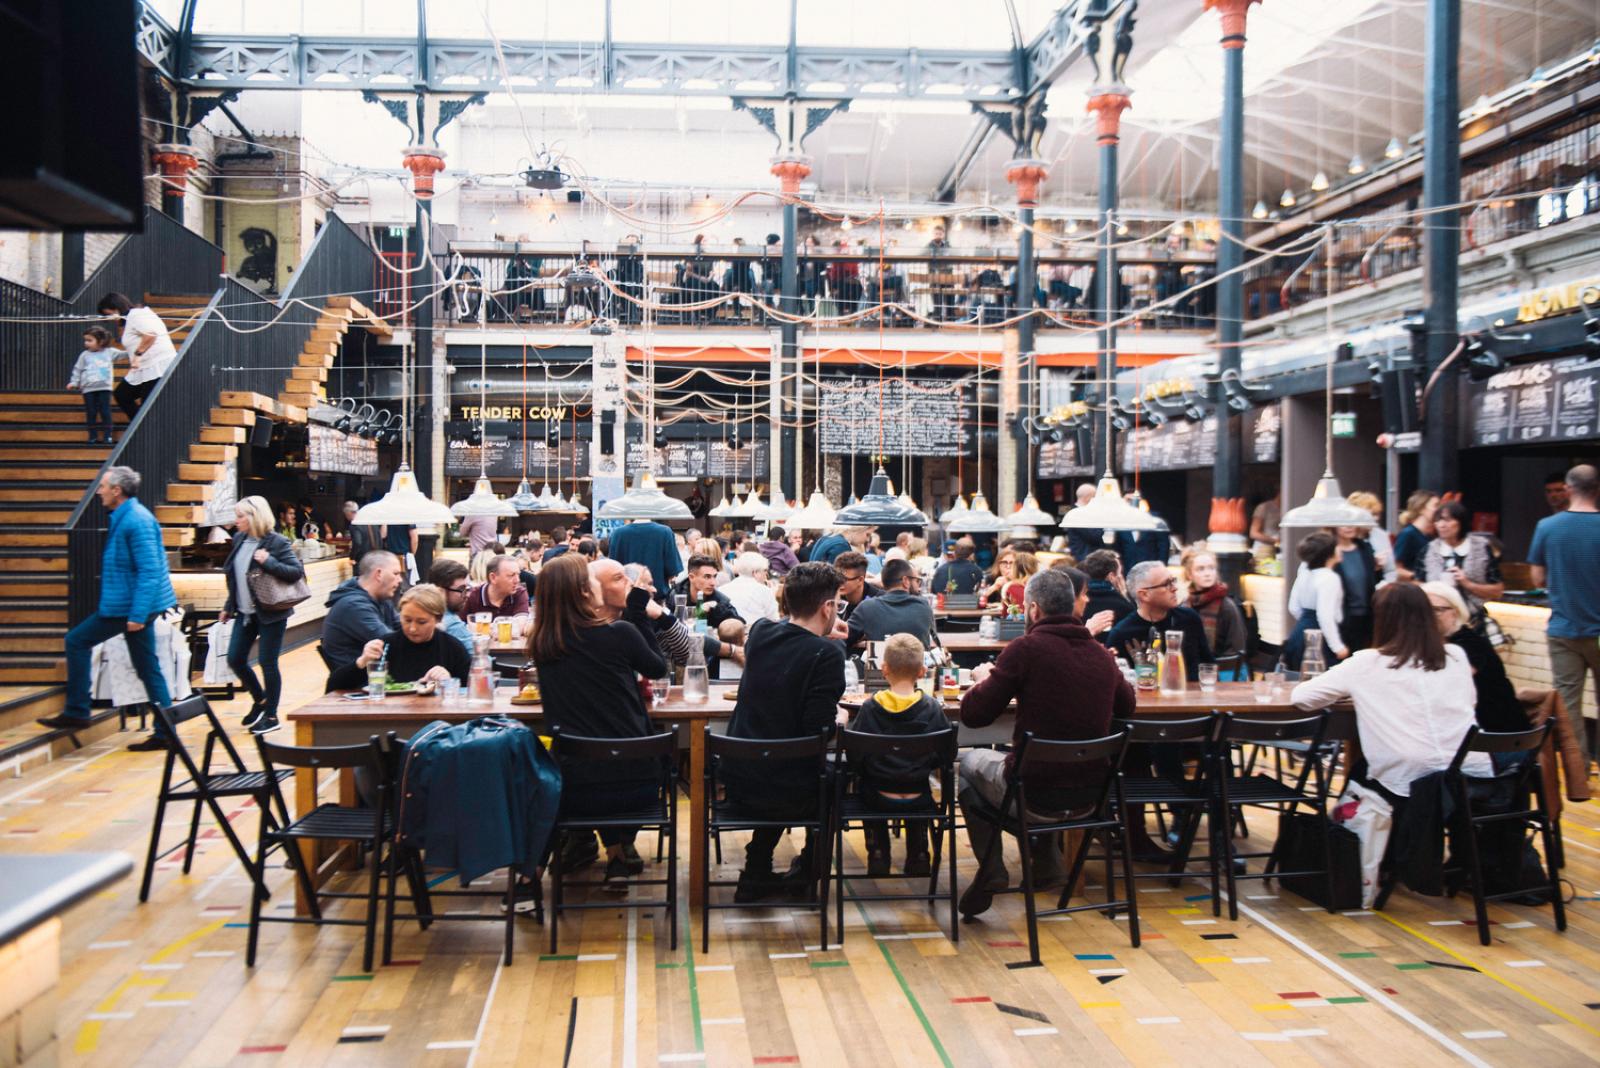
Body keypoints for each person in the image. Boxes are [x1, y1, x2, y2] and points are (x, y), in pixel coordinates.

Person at [957, 568, 1135, 917]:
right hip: (1091, 797)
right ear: (1073, 607)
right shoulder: (1100, 654)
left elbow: (975, 715)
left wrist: (985, 678)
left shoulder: (1025, 649)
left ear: (1034, 610)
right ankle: (1045, 862)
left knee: (965, 766)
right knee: (1029, 767)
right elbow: (1127, 706)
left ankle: (993, 868)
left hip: (1033, 795)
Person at [531, 554, 669, 885]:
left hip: (574, 791)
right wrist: (638, 612)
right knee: (612, 754)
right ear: (583, 592)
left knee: (577, 761)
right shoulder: (620, 633)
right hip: (639, 787)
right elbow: (658, 668)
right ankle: (618, 855)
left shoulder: (543, 643)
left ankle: (532, 875)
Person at [723, 562, 848, 901]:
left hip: (737, 777)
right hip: (788, 788)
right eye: (837, 602)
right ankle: (809, 870)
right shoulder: (828, 654)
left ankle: (756, 869)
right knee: (833, 776)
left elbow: (787, 638)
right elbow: (818, 731)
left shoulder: (761, 632)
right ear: (827, 608)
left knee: (783, 758)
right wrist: (840, 721)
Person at [1292, 583, 1490, 799]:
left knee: (1361, 774)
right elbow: (1469, 703)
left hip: (1408, 781)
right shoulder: (1455, 655)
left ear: (1381, 619)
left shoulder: (1367, 663)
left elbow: (1302, 697)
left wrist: (1354, 692)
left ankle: (1363, 832)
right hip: (1473, 770)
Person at [37, 467, 176, 751]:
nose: (98, 491)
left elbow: (149, 571)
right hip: (128, 605)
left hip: (126, 608)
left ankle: (77, 711)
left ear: (117, 491)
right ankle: (165, 731)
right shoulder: (127, 517)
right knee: (147, 667)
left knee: (75, 640)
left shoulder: (135, 521)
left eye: (102, 486)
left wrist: (137, 614)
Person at [846, 632, 947, 877]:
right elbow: (945, 754)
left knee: (866, 780)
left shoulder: (870, 708)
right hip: (918, 795)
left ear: (884, 669)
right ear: (922, 671)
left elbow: (855, 756)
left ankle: (878, 852)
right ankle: (919, 853)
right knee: (915, 780)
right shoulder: (932, 708)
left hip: (877, 796)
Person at [1528, 464, 1600, 767]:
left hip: (1562, 629)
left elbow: (1537, 579)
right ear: (1597, 489)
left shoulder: (1547, 527)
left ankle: (1578, 769)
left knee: (1568, 703)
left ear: (1568, 489)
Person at [217, 495, 305, 737]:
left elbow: (295, 572)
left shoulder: (276, 542)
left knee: (268, 663)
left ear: (255, 517)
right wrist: (229, 604)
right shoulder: (239, 539)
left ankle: (271, 715)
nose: (236, 521)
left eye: (240, 516)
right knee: (235, 659)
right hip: (244, 612)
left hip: (271, 613)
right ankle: (261, 699)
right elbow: (235, 576)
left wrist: (269, 562)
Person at [1422, 582, 1527, 735]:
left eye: (1436, 610)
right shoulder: (1434, 644)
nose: (1428, 617)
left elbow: (1446, 686)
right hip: (1474, 736)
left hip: (1498, 738)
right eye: (1423, 611)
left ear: (1455, 612)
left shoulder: (1469, 644)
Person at [328, 584, 471, 691]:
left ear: (438, 619)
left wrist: (449, 682)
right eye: (407, 620)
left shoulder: (452, 648)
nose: (413, 628)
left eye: (421, 622)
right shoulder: (386, 646)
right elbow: (333, 686)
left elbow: (475, 690)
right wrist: (362, 662)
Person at [1103, 560, 1213, 678]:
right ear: (1144, 595)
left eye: (1173, 581)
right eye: (1166, 584)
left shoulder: (1189, 618)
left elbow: (1208, 664)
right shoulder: (1121, 634)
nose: (1175, 588)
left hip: (1192, 694)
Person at [1417, 500, 1503, 624]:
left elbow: (1497, 591)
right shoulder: (1428, 550)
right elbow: (1418, 585)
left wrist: (1468, 584)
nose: (1441, 525)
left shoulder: (1481, 547)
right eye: (1438, 520)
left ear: (1461, 522)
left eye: (1447, 520)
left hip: (1473, 620)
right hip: (1436, 622)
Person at [321, 551, 404, 680]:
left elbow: (403, 628)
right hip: (357, 685)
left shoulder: (381, 599)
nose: (400, 580)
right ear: (379, 574)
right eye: (396, 573)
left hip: (378, 677)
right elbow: (391, 643)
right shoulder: (353, 606)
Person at [97, 292, 176, 419]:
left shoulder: (137, 315)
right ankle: (139, 427)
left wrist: (137, 356)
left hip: (156, 366)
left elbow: (150, 335)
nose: (110, 318)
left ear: (116, 307)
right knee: (122, 394)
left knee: (146, 406)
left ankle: (144, 429)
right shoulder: (132, 318)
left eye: (108, 314)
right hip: (144, 368)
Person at [1282, 531, 1349, 669]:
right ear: (1328, 554)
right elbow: (1325, 616)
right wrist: (1337, 647)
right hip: (1319, 638)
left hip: (1299, 633)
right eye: (1336, 546)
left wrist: (1307, 621)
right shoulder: (1329, 578)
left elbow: (1293, 607)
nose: (1340, 549)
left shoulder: (1305, 572)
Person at [1179, 546, 1247, 665]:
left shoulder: (1226, 606)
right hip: (1189, 668)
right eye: (1200, 569)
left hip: (1219, 671)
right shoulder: (1185, 604)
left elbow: (1237, 647)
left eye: (1211, 568)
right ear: (1190, 574)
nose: (1207, 574)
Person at [846, 558, 933, 647]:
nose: (918, 586)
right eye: (916, 580)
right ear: (905, 581)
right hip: (916, 660)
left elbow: (844, 638)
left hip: (882, 660)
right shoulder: (924, 605)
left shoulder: (867, 607)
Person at [1333, 525, 1381, 653]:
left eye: (1352, 523)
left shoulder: (1365, 547)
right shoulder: (1330, 550)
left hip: (1368, 613)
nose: (1349, 527)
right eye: (1344, 524)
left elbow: (1373, 578)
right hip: (1343, 614)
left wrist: (1379, 567)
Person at [609, 516, 683, 598]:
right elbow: (672, 572)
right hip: (657, 598)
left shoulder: (617, 534)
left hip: (626, 598)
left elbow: (613, 572)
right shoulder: (665, 532)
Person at [67, 325, 117, 443]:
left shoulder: (110, 352)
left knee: (105, 411)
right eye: (85, 340)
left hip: (104, 387)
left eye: (90, 340)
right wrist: (74, 382)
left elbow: (127, 354)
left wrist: (137, 351)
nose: (86, 343)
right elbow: (78, 369)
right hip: (88, 388)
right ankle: (92, 435)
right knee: (91, 411)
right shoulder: (85, 355)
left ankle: (108, 435)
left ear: (101, 341)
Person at [676, 553, 742, 630]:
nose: (713, 583)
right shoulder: (676, 596)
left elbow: (739, 625)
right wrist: (698, 614)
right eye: (707, 577)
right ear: (691, 577)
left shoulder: (720, 600)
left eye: (714, 576)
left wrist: (716, 609)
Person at [426, 558, 476, 655]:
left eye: (467, 588)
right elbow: (478, 661)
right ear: (440, 591)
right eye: (461, 589)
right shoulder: (452, 624)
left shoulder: (419, 611)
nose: (467, 595)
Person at [1347, 491, 1397, 581]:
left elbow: (1391, 570)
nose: (1376, 518)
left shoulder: (1382, 535)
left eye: (1377, 514)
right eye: (1372, 514)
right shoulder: (1346, 537)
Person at [464, 554, 531, 621]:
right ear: (493, 578)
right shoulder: (473, 596)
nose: (517, 580)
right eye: (511, 575)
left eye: (518, 574)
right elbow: (458, 626)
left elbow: (521, 623)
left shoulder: (519, 592)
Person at [1392, 489, 1439, 582]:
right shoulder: (1408, 534)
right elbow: (1396, 569)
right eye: (1436, 505)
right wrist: (1417, 577)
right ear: (1421, 509)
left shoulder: (1430, 536)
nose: (1439, 509)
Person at [722, 552, 780, 624]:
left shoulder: (723, 589)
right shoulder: (764, 591)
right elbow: (774, 620)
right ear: (755, 573)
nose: (766, 574)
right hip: (756, 632)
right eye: (764, 570)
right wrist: (772, 594)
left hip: (728, 631)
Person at [1081, 549, 1135, 625]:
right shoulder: (1123, 606)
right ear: (1111, 576)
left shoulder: (1078, 601)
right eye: (1120, 573)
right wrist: (1125, 596)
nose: (1121, 577)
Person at [834, 551, 883, 620]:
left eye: (844, 579)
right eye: (837, 577)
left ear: (860, 580)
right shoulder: (831, 598)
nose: (839, 582)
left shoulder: (879, 601)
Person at [1064, 483, 1104, 561]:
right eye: (1095, 497)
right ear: (1088, 497)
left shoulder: (1080, 513)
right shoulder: (1077, 514)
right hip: (1083, 558)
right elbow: (1094, 536)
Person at [1249, 490, 1281, 557]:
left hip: (1281, 550)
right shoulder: (1264, 507)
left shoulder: (1288, 508)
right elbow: (1254, 533)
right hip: (1264, 550)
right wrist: (1275, 541)